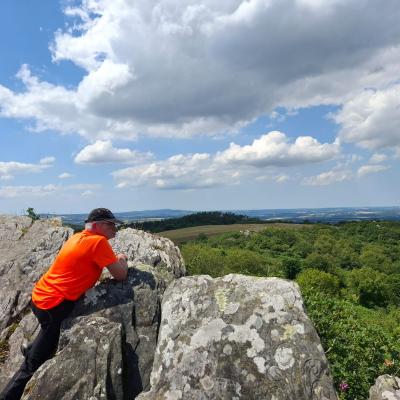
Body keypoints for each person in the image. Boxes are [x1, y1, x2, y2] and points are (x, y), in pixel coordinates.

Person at [0, 208, 128, 400]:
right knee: (31, 367)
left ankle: (32, 347)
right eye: (110, 224)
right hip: (53, 305)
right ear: (97, 226)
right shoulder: (98, 242)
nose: (114, 228)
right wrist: (122, 259)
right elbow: (121, 274)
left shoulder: (78, 237)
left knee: (49, 331)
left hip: (40, 297)